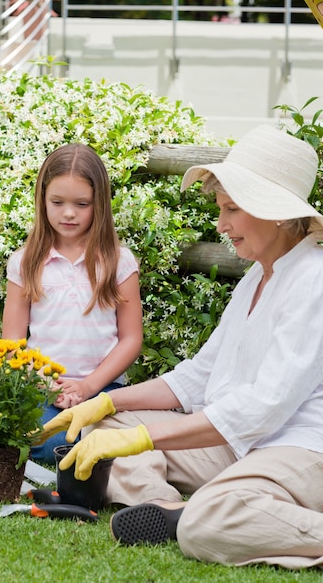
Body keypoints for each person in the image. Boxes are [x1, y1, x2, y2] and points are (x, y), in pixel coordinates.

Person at [34, 125, 323, 569]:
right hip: (238, 445)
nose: (221, 225)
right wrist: (106, 402)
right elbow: (200, 376)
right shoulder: (257, 277)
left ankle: (200, 514)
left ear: (278, 213)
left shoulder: (314, 280)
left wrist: (146, 436)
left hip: (299, 452)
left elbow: (264, 406)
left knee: (205, 525)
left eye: (231, 209)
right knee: (108, 433)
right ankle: (166, 507)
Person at [2, 143, 142, 464]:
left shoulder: (119, 262)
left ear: (100, 204)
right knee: (53, 444)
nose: (69, 213)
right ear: (42, 201)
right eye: (57, 202)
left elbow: (131, 338)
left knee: (92, 437)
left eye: (82, 204)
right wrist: (46, 384)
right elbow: (12, 343)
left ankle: (95, 442)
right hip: (42, 389)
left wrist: (89, 385)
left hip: (104, 388)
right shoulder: (25, 263)